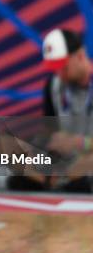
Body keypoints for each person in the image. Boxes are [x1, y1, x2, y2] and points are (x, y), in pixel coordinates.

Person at [6, 28, 92, 192]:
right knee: (3, 143)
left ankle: (59, 180)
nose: (59, 74)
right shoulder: (54, 85)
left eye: (63, 67)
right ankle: (53, 180)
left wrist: (78, 142)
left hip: (86, 155)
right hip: (65, 160)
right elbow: (51, 131)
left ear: (80, 56)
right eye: (55, 68)